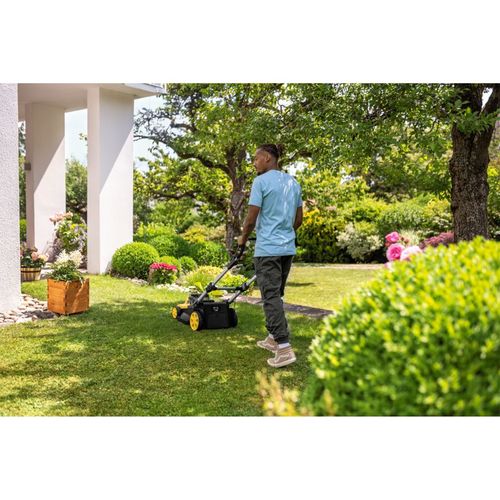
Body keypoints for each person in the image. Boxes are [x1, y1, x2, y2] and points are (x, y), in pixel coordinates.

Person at [238, 144, 303, 368]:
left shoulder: (261, 182)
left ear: (267, 157)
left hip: (267, 250)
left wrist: (242, 239)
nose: (254, 163)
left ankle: (284, 347)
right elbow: (298, 220)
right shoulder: (293, 182)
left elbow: (251, 218)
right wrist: (284, 233)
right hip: (287, 249)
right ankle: (273, 338)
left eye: (256, 159)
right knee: (277, 294)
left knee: (270, 297)